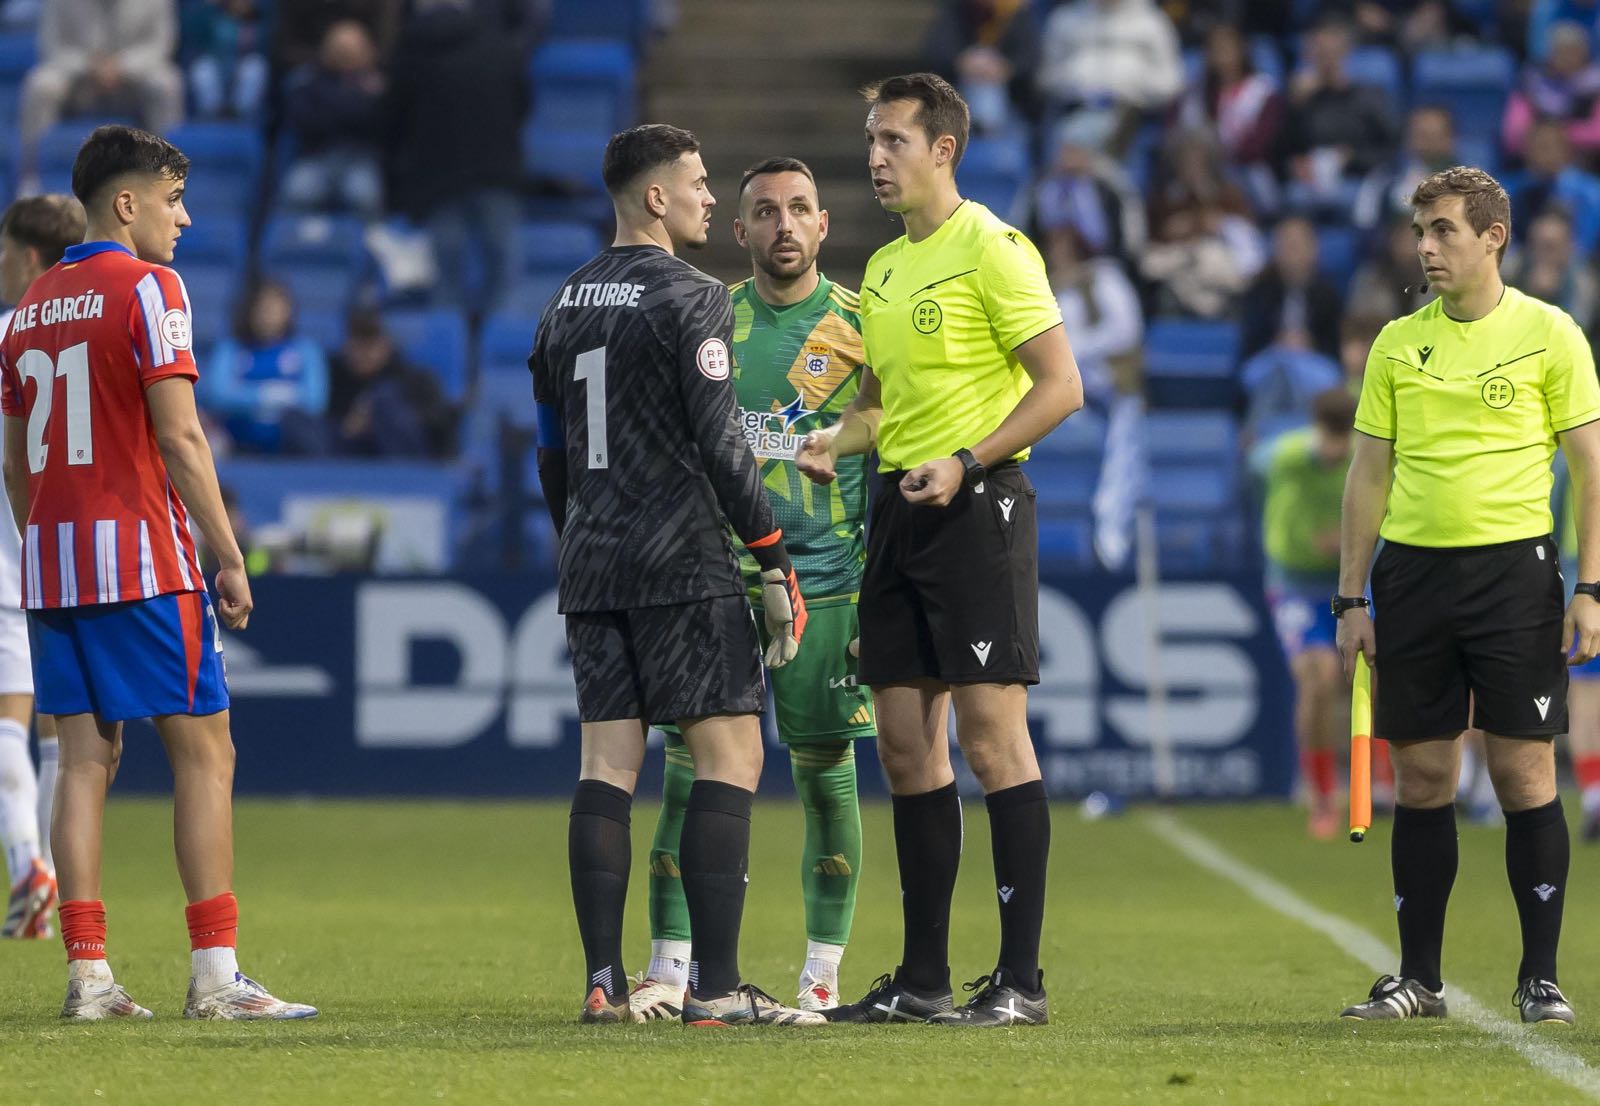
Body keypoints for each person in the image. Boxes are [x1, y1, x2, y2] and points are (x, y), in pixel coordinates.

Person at [0, 124, 315, 1020]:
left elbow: (20, 466)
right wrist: (226, 552)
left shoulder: (24, 312)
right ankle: (217, 977)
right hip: (143, 555)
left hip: (54, 567)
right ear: (126, 204)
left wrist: (50, 542)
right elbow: (180, 435)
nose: (184, 219)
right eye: (172, 200)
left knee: (84, 762)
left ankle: (88, 976)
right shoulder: (148, 287)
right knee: (205, 751)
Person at [798, 72, 1083, 1026]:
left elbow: (1060, 388)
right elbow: (878, 408)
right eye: (872, 141)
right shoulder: (881, 269)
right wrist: (833, 441)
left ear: (943, 149)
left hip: (979, 506)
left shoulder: (995, 251)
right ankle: (923, 981)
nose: (875, 158)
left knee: (994, 743)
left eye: (893, 142)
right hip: (899, 510)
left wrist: (967, 461)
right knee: (907, 750)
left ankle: (1022, 981)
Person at [529, 123, 822, 1028]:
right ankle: (721, 988)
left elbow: (550, 453)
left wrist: (578, 535)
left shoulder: (562, 301)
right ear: (654, 197)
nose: (705, 197)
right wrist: (770, 552)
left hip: (592, 555)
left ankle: (602, 982)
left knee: (607, 763)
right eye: (696, 184)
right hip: (681, 557)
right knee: (730, 752)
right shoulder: (693, 298)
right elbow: (722, 443)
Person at [1336, 166, 1600, 1026]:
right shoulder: (1395, 344)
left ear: (1493, 237)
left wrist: (1591, 585)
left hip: (1514, 577)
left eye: (1443, 230)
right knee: (1423, 777)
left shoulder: (1551, 334)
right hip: (1411, 578)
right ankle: (1420, 980)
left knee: (1525, 770)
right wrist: (1350, 599)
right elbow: (1367, 476)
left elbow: (1593, 471)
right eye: (1420, 231)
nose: (1425, 246)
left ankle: (1541, 978)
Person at [628, 158, 873, 1021]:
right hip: (718, 581)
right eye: (765, 212)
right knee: (690, 776)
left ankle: (820, 977)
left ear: (823, 225)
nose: (783, 225)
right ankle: (669, 969)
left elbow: (892, 422)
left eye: (800, 208)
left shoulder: (857, 323)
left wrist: (846, 438)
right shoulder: (709, 318)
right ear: (739, 233)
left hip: (829, 578)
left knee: (826, 779)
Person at [0, 194, 83, 940]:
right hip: (65, 557)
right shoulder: (79, 331)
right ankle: (57, 876)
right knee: (64, 731)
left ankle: (29, 863)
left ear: (28, 258)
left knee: (6, 721)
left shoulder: (8, 332)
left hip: (4, 555)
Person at [1255, 388, 1357, 838]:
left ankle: (1371, 781)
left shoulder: (1365, 460)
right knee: (1317, 677)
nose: (1336, 449)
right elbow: (1250, 469)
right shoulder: (1286, 456)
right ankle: (1320, 791)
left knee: (1353, 682)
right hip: (1294, 584)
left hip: (1346, 585)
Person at [17, 0, 186, 194]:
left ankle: (168, 177)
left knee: (166, 84)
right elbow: (52, 47)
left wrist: (122, 66)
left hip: (131, 82)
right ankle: (30, 179)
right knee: (40, 85)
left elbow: (161, 45)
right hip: (80, 81)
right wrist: (89, 65)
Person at [200, 277, 330, 455]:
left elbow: (315, 400)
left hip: (289, 438)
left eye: (275, 308)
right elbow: (219, 395)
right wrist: (265, 394)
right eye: (263, 307)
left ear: (288, 311)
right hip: (238, 435)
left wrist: (278, 396)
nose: (268, 314)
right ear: (250, 310)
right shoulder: (230, 348)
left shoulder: (305, 349)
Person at [278, 20, 386, 220]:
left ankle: (369, 247)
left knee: (365, 196)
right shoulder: (308, 79)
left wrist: (334, 106)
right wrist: (353, 105)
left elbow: (378, 123)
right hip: (316, 156)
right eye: (341, 49)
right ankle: (299, 245)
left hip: (359, 158)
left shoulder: (379, 83)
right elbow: (304, 120)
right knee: (297, 193)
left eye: (352, 49)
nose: (346, 55)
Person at [1240, 215, 1343, 363]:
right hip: (1270, 358)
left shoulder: (1328, 294)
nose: (1292, 253)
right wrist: (1277, 342)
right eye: (1286, 245)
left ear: (1313, 249)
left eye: (1297, 245)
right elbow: (1250, 342)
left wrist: (1310, 343)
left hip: (1314, 360)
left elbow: (1335, 344)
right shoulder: (1260, 291)